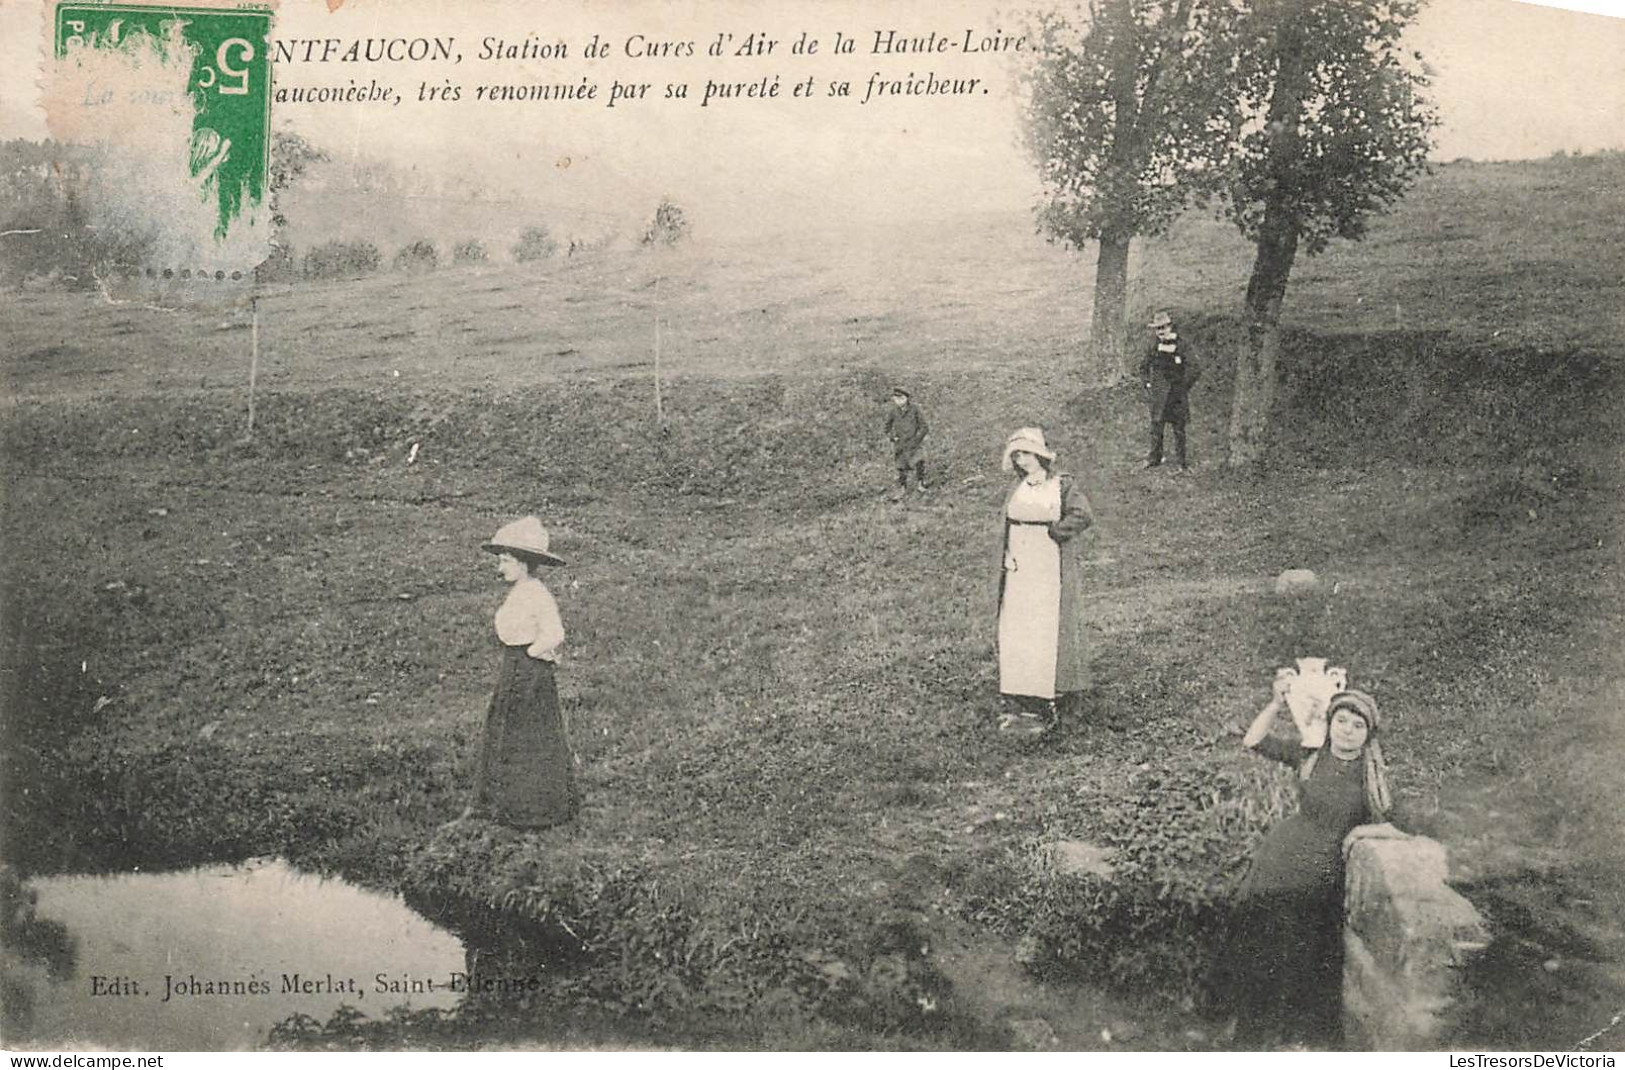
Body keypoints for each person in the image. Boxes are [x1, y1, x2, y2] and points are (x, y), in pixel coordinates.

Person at [1219, 684, 1394, 1048]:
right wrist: (1276, 703)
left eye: (1357, 725)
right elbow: (1254, 740)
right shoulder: (1312, 756)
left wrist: (1370, 834)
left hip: (1322, 873)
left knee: (1306, 952)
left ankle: (1295, 1036)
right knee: (1261, 940)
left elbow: (1393, 824)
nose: (1346, 730)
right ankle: (1248, 1031)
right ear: (1329, 724)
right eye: (1341, 721)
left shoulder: (1371, 775)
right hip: (1280, 861)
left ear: (1368, 734)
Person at [469, 516, 580, 829]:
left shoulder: (536, 593)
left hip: (529, 672)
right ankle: (506, 805)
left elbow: (555, 632)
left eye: (505, 560)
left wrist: (531, 655)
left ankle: (536, 810)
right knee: (507, 731)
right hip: (514, 667)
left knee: (530, 735)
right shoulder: (519, 592)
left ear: (522, 563)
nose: (500, 567)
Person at [995, 427, 1094, 734]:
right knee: (1017, 628)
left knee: (1046, 626)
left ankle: (1052, 696)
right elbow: (1007, 521)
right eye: (1017, 455)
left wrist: (1056, 533)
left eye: (1025, 453)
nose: (1021, 460)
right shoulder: (1018, 486)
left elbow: (1083, 514)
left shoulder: (1062, 484)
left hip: (1048, 563)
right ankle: (1022, 697)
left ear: (1039, 454)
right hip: (1018, 565)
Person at [1139, 310, 1201, 469]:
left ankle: (1182, 462)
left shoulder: (1182, 344)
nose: (1160, 332)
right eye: (1157, 328)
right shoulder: (1154, 346)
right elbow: (1143, 367)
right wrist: (1147, 383)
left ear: (1170, 327)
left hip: (1176, 394)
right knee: (1156, 427)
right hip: (1159, 394)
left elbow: (1195, 368)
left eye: (1163, 328)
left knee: (1178, 428)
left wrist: (1183, 386)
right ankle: (1155, 458)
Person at [882, 386, 929, 496]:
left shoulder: (915, 409)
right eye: (896, 399)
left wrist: (917, 439)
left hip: (914, 443)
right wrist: (893, 437)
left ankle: (920, 484)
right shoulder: (893, 412)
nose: (899, 401)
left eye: (901, 398)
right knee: (901, 466)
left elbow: (924, 427)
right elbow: (886, 428)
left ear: (907, 398)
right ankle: (902, 488)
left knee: (919, 462)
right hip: (901, 444)